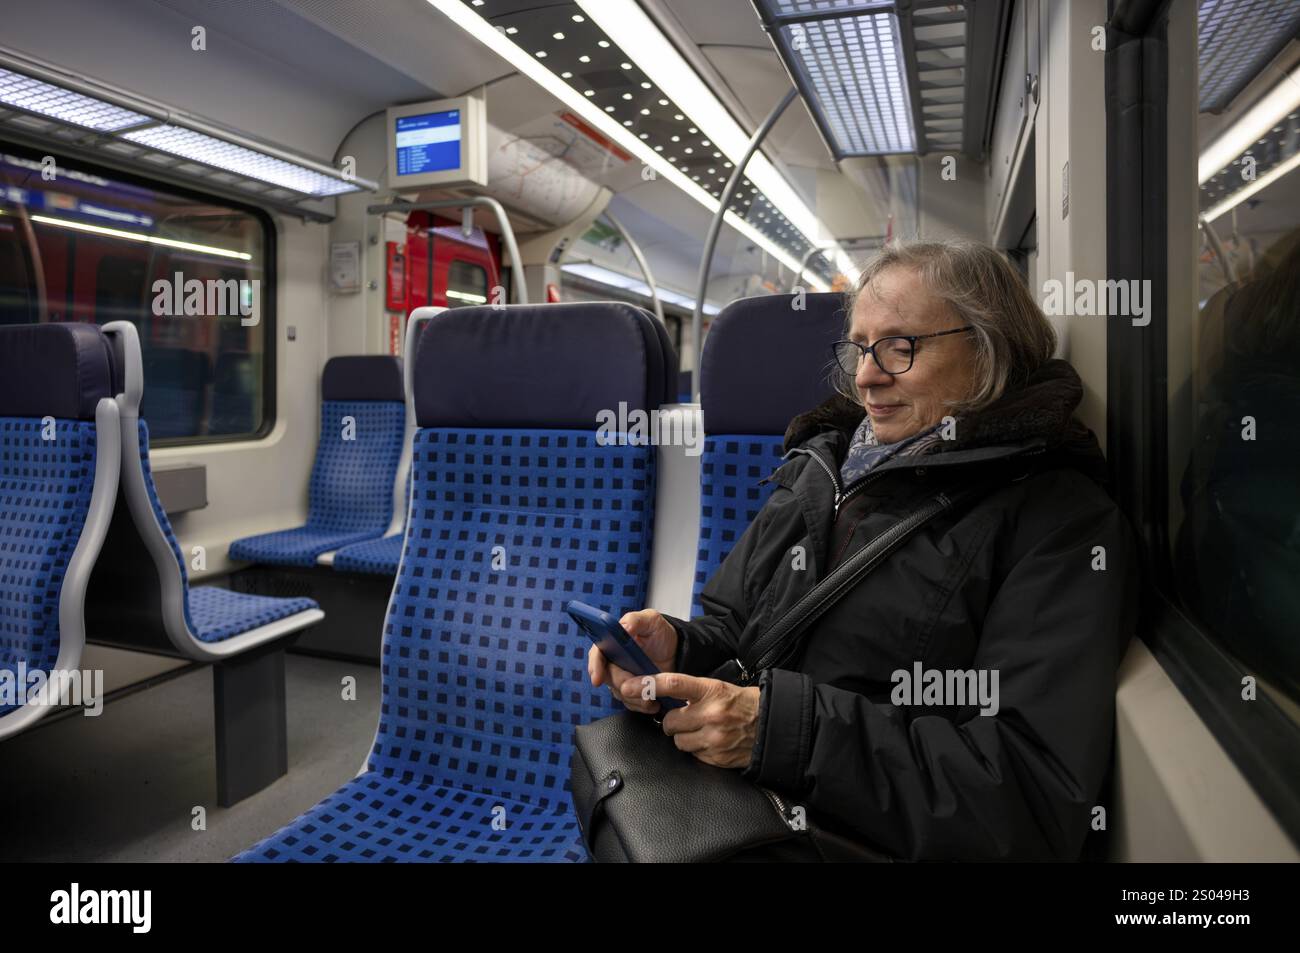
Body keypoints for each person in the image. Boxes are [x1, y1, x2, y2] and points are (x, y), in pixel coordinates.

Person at [588, 239, 1138, 861]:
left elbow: (1026, 794)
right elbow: (738, 628)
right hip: (743, 810)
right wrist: (679, 645)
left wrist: (776, 733)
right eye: (859, 350)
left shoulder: (1058, 524)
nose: (867, 376)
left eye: (900, 347)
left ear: (990, 351)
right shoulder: (821, 466)